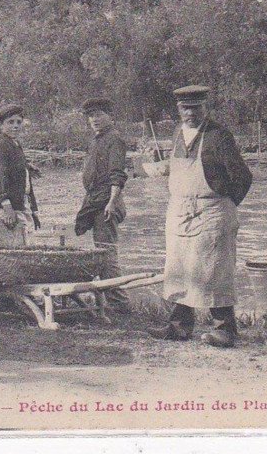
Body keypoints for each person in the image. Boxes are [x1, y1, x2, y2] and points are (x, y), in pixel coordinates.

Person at [153, 85, 253, 348]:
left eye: (196, 108)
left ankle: (225, 330)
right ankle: (179, 327)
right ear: (178, 110)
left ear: (205, 108)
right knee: (180, 268)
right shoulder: (177, 134)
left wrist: (225, 204)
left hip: (212, 211)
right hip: (179, 211)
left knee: (214, 271)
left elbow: (242, 176)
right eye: (186, 108)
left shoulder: (219, 136)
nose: (191, 113)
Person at [74, 98, 130, 313]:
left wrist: (112, 202)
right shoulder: (97, 140)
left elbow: (117, 175)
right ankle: (110, 301)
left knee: (106, 254)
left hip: (107, 202)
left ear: (110, 116)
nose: (95, 119)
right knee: (101, 251)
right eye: (91, 115)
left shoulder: (114, 139)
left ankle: (120, 304)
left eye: (99, 114)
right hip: (95, 200)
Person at [0, 105, 40, 231]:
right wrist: (7, 207)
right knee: (7, 244)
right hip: (6, 207)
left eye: (18, 122)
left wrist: (34, 210)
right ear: (2, 125)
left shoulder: (15, 144)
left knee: (25, 241)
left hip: (20, 203)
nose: (15, 126)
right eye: (10, 122)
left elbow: (20, 176)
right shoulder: (0, 146)